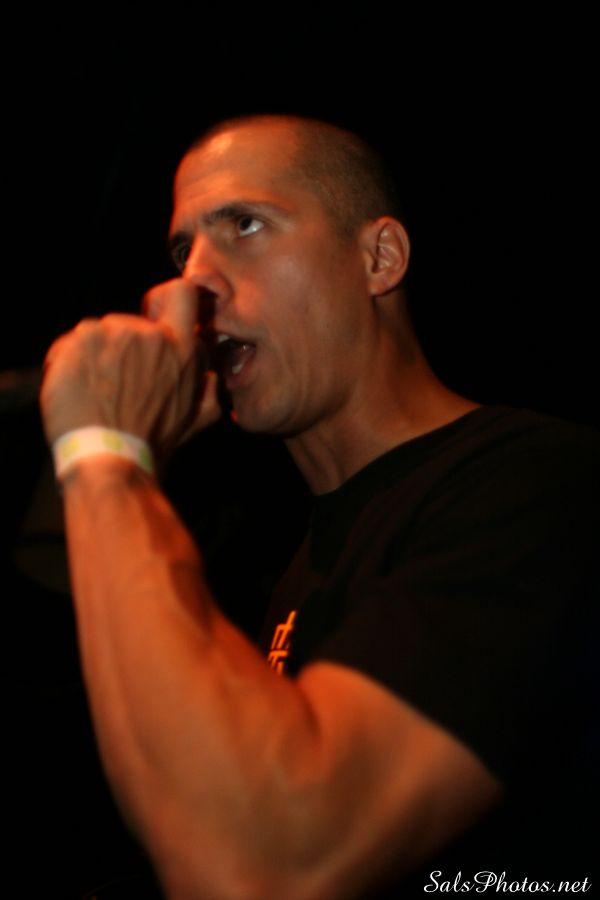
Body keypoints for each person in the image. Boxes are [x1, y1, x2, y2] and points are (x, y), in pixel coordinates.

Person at [40, 115, 598, 899]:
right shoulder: (301, 567)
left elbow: (268, 861)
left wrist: (104, 458)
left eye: (244, 224)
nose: (191, 284)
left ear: (379, 258)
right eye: (180, 251)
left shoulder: (536, 481)